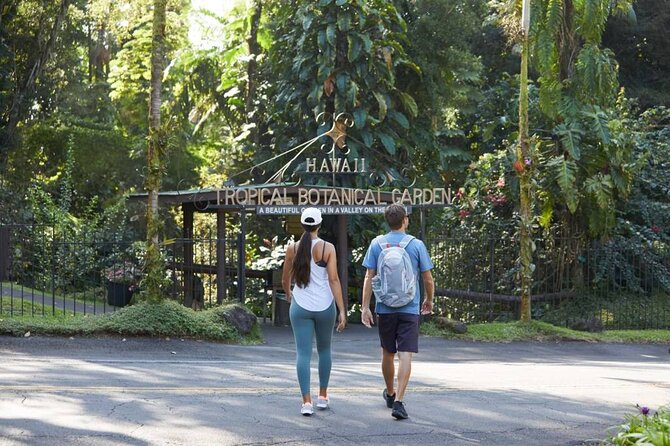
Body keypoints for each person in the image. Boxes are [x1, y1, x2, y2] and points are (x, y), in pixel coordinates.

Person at [361, 203, 434, 420]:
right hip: (410, 307)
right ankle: (399, 402)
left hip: (385, 307)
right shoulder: (416, 245)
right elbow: (427, 278)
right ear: (405, 220)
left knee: (387, 352)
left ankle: (390, 393)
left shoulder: (377, 244)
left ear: (387, 221)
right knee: (405, 354)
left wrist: (365, 306)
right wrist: (429, 300)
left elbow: (369, 276)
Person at [282, 207, 347, 416]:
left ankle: (306, 403)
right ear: (319, 224)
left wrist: (289, 295)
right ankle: (323, 397)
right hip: (324, 307)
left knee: (303, 353)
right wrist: (342, 310)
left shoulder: (292, 248)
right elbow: (334, 279)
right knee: (324, 350)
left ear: (303, 224)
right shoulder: (328, 248)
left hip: (300, 306)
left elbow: (286, 279)